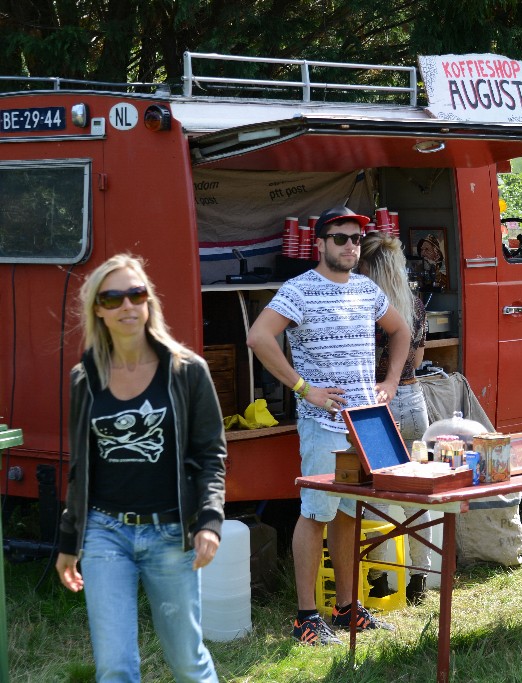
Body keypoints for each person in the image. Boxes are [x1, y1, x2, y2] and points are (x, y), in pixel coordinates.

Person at [55, 254, 225, 682]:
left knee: (187, 662)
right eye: (113, 298)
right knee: (114, 667)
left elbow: (211, 455)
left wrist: (209, 521)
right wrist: (68, 540)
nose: (127, 306)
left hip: (170, 532)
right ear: (98, 308)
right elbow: (81, 466)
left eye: (136, 294)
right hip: (104, 533)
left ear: (149, 301)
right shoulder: (85, 378)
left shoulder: (187, 372)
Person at [247, 206, 412, 645]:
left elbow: (400, 331)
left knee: (348, 514)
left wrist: (390, 382)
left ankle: (345, 609)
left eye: (356, 239)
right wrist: (304, 388)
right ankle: (305, 618)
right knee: (316, 513)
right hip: (323, 422)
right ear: (319, 244)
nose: (350, 246)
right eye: (340, 238)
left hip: (364, 424)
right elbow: (259, 337)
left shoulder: (366, 289)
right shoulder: (299, 289)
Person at [357, 231, 432, 604]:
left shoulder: (364, 307)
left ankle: (381, 582)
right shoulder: (415, 305)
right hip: (414, 400)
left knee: (378, 498)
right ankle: (419, 581)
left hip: (378, 404)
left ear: (369, 268)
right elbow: (417, 359)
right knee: (417, 496)